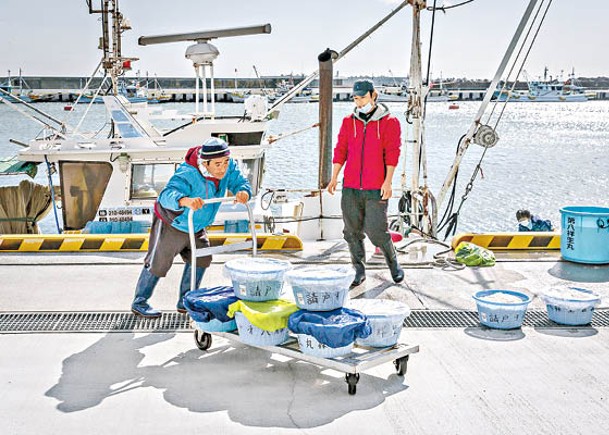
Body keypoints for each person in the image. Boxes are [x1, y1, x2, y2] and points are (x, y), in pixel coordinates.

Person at [131, 137, 251, 318]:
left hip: (197, 225)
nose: (223, 168)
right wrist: (184, 200)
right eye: (217, 164)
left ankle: (186, 301)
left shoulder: (228, 167)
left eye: (225, 163)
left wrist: (243, 192)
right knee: (158, 263)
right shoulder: (188, 173)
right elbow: (166, 195)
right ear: (205, 163)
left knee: (202, 258)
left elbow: (240, 182)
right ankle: (139, 302)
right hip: (173, 222)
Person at [327, 79, 404, 288]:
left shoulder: (389, 122)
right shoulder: (348, 122)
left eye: (362, 97)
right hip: (351, 187)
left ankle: (393, 263)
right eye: (355, 98)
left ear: (372, 95)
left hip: (375, 188)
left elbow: (392, 154)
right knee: (351, 232)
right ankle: (359, 270)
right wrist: (334, 177)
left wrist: (388, 182)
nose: (358, 102)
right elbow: (340, 150)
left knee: (377, 231)